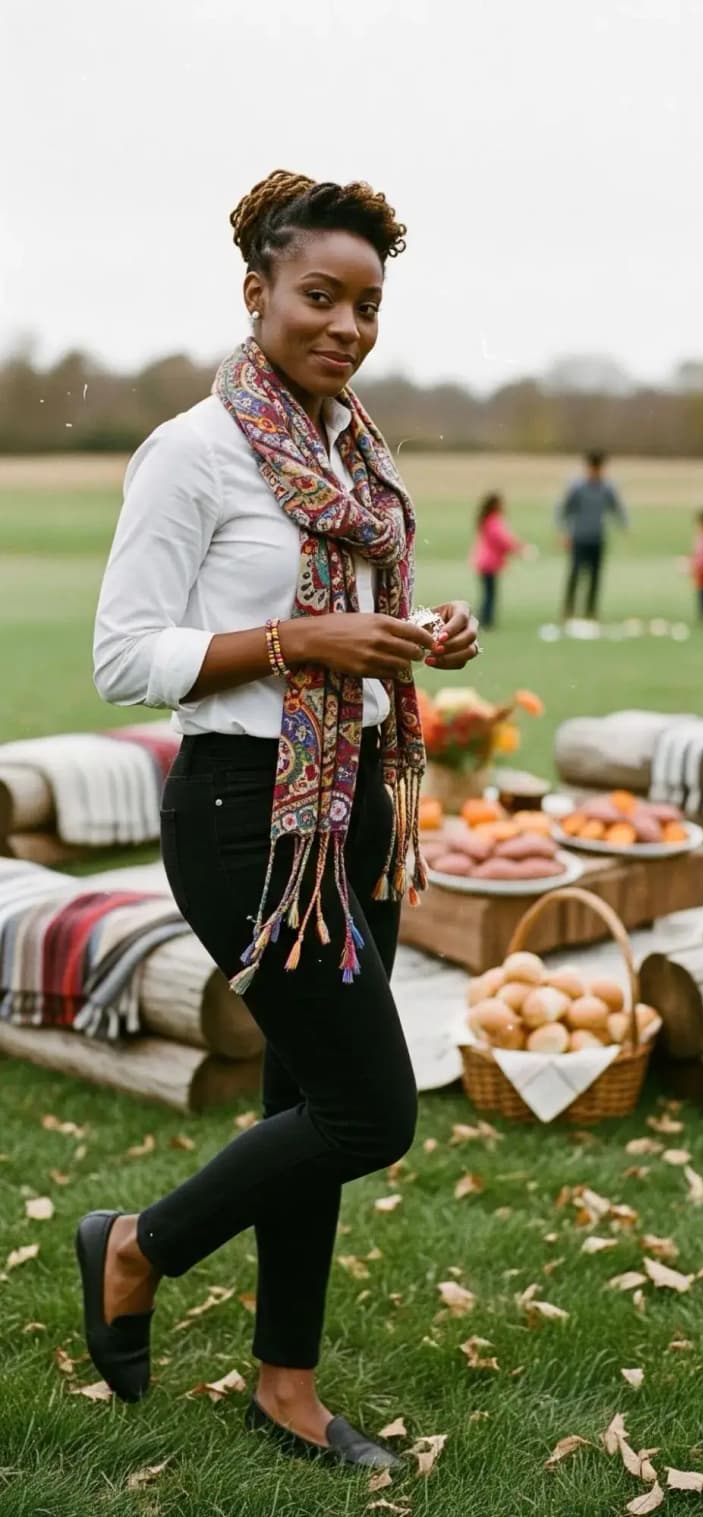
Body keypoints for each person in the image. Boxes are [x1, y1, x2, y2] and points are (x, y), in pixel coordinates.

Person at [81, 169, 479, 1471]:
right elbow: (124, 656)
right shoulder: (194, 452)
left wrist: (419, 635)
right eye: (320, 295)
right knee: (371, 1112)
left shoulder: (352, 455)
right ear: (257, 291)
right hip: (245, 817)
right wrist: (294, 639)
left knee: (305, 1097)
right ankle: (136, 1246)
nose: (347, 326)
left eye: (367, 304)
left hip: (347, 808)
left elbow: (351, 637)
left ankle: (286, 1385)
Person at [556, 450, 628, 622]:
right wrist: (563, 532)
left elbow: (616, 507)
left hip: (598, 538)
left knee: (595, 577)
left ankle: (591, 610)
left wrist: (624, 525)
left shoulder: (607, 487)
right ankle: (568, 609)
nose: (596, 472)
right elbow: (564, 509)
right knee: (575, 574)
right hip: (579, 537)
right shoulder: (577, 487)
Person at [471, 492, 529, 629]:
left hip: (484, 562)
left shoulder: (486, 519)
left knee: (488, 593)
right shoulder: (494, 521)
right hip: (488, 563)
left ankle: (483, 620)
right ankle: (485, 621)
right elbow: (503, 540)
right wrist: (520, 549)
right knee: (490, 595)